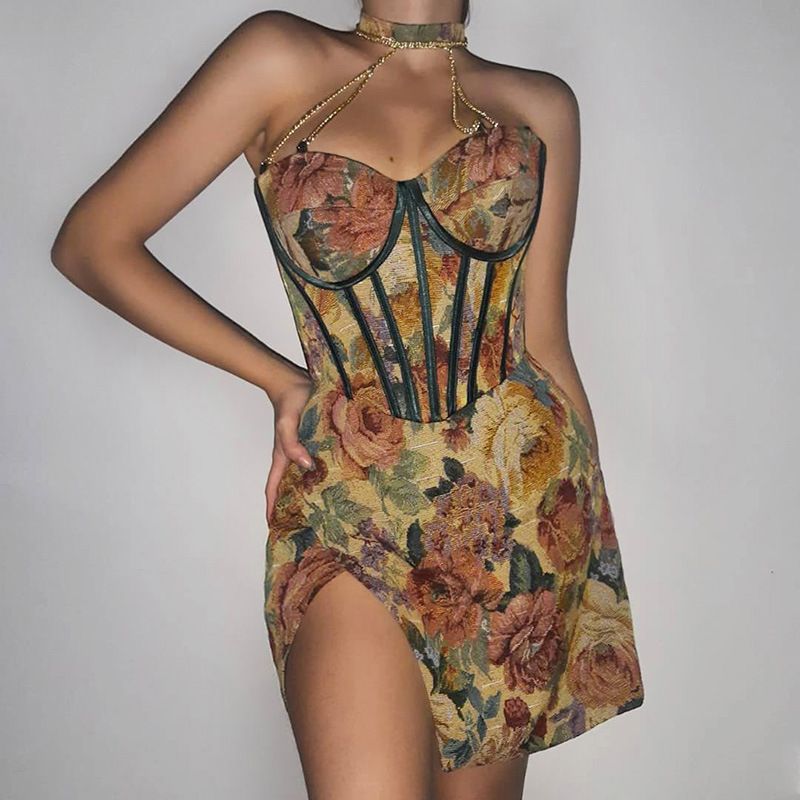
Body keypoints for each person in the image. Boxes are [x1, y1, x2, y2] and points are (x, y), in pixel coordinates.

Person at [50, 1, 645, 797]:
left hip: (519, 520)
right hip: (349, 507)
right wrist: (279, 379)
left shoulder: (539, 105)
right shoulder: (278, 59)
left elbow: (547, 349)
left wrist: (592, 567)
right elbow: (92, 244)